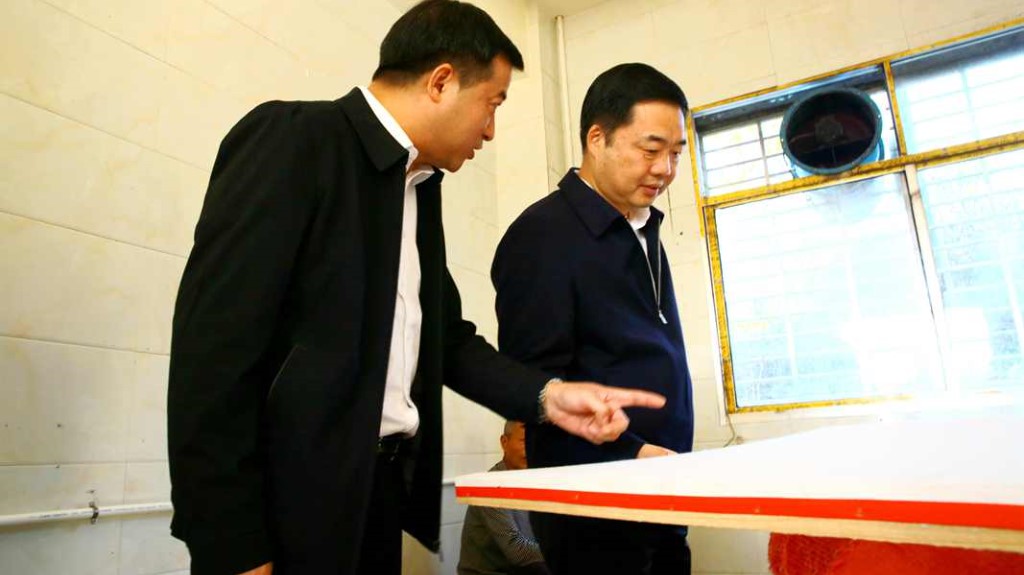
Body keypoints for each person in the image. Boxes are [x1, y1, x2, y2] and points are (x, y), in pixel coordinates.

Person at [166, 2, 668, 574]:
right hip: (290, 505)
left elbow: (446, 340)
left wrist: (548, 397)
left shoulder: (416, 189)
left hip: (374, 495)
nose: (490, 130)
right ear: (441, 82)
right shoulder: (296, 140)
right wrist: (233, 545)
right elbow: (213, 354)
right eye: (492, 103)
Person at [490, 63, 695, 575]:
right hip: (596, 512)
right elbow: (535, 389)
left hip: (663, 495)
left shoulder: (640, 228)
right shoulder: (542, 236)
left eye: (676, 153)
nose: (665, 169)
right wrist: (629, 454)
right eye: (651, 150)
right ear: (597, 139)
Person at [458, 421, 550, 575]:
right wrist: (564, 552)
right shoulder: (489, 486)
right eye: (524, 441)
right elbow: (517, 550)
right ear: (504, 442)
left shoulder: (536, 481)